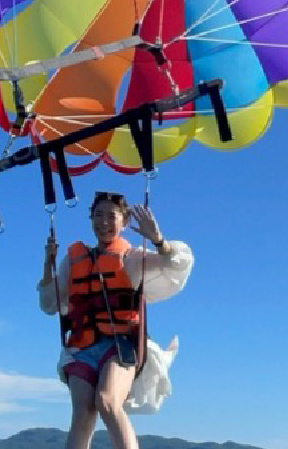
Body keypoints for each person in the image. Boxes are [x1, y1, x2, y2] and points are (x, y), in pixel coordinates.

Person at [38, 191, 194, 449]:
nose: (104, 222)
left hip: (120, 346)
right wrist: (48, 265)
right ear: (90, 219)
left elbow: (175, 265)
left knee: (107, 401)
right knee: (82, 413)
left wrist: (158, 240)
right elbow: (49, 304)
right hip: (81, 347)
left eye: (111, 216)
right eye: (98, 215)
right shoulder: (73, 260)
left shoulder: (131, 258)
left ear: (124, 222)